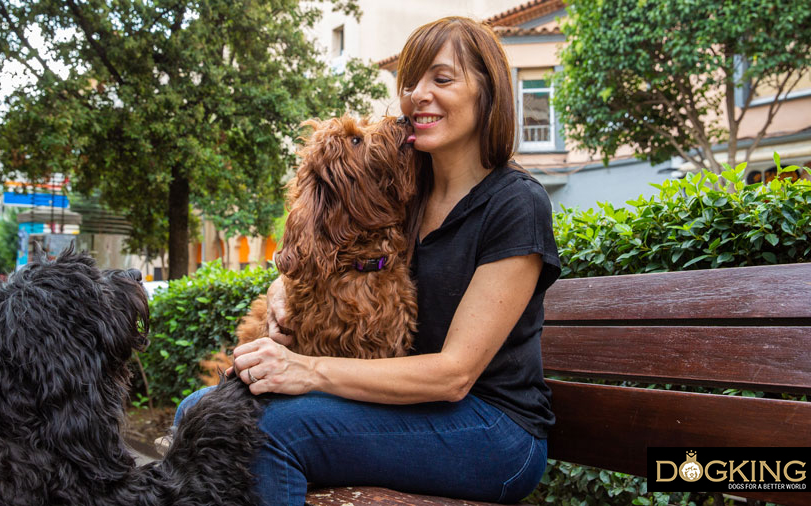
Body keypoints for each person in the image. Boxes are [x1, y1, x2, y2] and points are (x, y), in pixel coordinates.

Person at [173, 16, 561, 505]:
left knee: (273, 432)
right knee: (197, 411)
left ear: (489, 94)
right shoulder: (403, 190)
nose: (417, 94)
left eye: (441, 79)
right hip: (409, 408)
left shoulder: (515, 203)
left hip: (494, 430)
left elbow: (454, 374)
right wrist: (280, 295)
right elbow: (324, 249)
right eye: (410, 81)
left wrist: (306, 370)